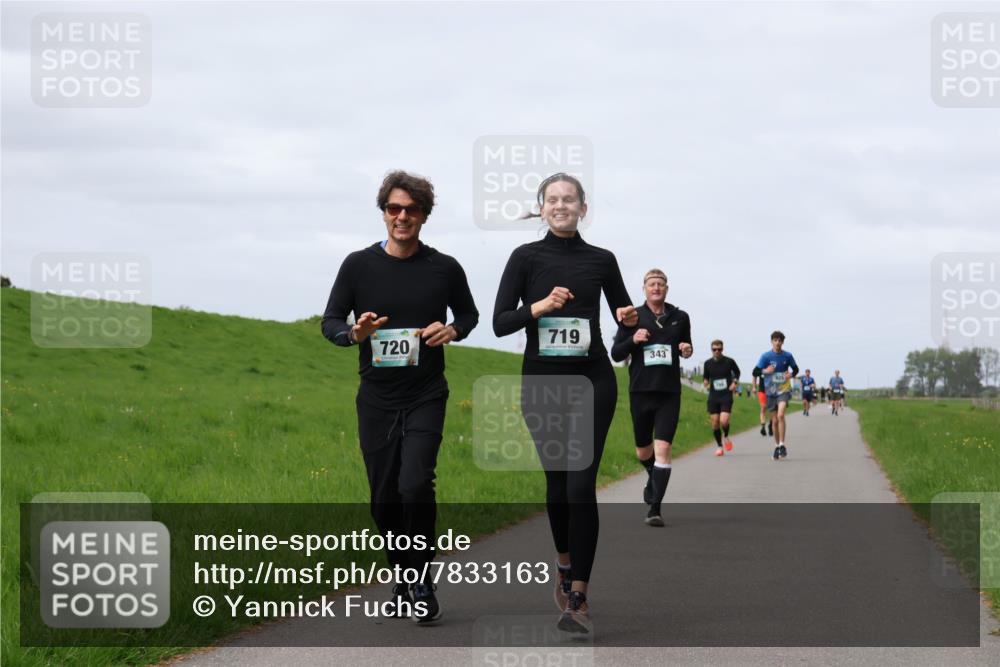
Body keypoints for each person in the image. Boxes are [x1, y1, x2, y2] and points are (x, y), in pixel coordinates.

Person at [322, 170, 479, 624]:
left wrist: (452, 329)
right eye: (394, 208)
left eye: (411, 209)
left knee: (415, 484)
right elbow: (330, 320)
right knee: (383, 498)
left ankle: (422, 581)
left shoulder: (444, 267)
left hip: (427, 393)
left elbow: (468, 314)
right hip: (376, 397)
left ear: (424, 215)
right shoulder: (358, 265)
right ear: (384, 213)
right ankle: (402, 576)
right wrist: (354, 332)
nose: (402, 216)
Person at [493, 173, 637, 635]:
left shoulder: (602, 259)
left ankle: (579, 595)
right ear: (542, 207)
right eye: (552, 200)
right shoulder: (524, 258)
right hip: (543, 384)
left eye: (568, 199)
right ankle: (563, 564)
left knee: (580, 485)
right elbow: (499, 323)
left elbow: (623, 318)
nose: (561, 205)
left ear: (582, 207)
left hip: (592, 380)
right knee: (556, 485)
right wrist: (539, 306)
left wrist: (628, 320)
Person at [611, 269, 693, 524]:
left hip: (669, 392)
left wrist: (686, 349)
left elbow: (686, 347)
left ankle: (655, 508)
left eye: (660, 284)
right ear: (644, 289)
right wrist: (633, 340)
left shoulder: (681, 317)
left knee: (664, 448)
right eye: (651, 284)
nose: (656, 288)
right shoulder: (632, 317)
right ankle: (652, 476)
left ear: (667, 289)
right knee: (642, 451)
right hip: (640, 391)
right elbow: (616, 353)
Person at [752, 331, 799, 461]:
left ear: (782, 342)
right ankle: (777, 445)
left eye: (780, 340)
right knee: (774, 420)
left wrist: (791, 375)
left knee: (781, 415)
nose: (777, 343)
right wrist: (765, 371)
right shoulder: (766, 356)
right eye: (775, 340)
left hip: (783, 389)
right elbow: (755, 371)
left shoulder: (787, 356)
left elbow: (796, 369)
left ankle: (783, 444)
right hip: (770, 391)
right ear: (772, 341)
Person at [701, 340, 740, 457]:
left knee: (724, 421)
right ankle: (719, 446)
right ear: (711, 350)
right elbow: (706, 377)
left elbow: (737, 372)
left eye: (719, 349)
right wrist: (706, 383)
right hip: (713, 396)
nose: (717, 351)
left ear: (722, 349)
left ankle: (726, 436)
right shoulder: (707, 363)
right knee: (715, 422)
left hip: (726, 395)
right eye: (714, 349)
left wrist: (735, 383)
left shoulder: (729, 361)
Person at [757, 371, 771, 437]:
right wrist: (754, 386)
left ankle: (770, 425)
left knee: (771, 410)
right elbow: (754, 375)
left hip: (771, 391)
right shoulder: (760, 368)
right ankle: (763, 427)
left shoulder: (772, 368)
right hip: (762, 391)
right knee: (763, 408)